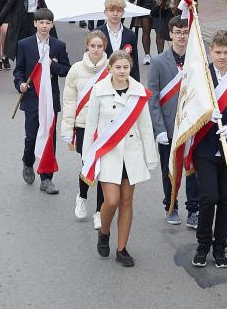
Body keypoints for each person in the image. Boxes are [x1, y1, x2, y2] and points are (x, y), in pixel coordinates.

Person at [84, 50, 157, 267]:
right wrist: (87, 157)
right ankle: (104, 232)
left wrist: (150, 156)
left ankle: (122, 248)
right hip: (108, 153)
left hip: (131, 153)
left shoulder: (138, 91)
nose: (122, 71)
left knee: (126, 201)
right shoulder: (99, 90)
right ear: (110, 68)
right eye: (118, 67)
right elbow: (91, 125)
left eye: (126, 67)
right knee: (112, 200)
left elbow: (145, 126)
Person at [191, 30, 227, 269]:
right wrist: (206, 114)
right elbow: (189, 106)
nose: (222, 57)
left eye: (226, 52)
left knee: (226, 199)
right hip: (205, 147)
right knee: (209, 197)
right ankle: (203, 245)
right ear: (210, 51)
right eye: (218, 52)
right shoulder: (200, 77)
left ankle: (220, 247)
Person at [146, 15, 198, 226]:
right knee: (169, 169)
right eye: (178, 32)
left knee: (193, 168)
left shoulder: (196, 61)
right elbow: (152, 98)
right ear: (170, 34)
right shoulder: (158, 62)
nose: (181, 36)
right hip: (167, 127)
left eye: (185, 32)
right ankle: (171, 205)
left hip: (191, 124)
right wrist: (159, 128)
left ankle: (193, 209)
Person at [13, 8, 71, 194]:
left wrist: (53, 65)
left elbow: (66, 70)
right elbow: (18, 70)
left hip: (50, 99)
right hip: (32, 97)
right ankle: (28, 161)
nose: (44, 26)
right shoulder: (24, 44)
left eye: (48, 23)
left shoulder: (58, 45)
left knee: (49, 138)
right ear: (35, 23)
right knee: (31, 136)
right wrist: (20, 84)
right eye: (41, 22)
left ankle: (47, 178)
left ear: (52, 25)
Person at [61, 30, 108, 228]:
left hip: (105, 127)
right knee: (88, 165)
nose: (96, 50)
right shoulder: (76, 69)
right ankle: (82, 197)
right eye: (92, 46)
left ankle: (99, 211)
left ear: (104, 48)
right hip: (83, 126)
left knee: (103, 169)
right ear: (87, 46)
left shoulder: (111, 68)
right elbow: (69, 101)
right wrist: (67, 128)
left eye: (100, 46)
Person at [96, 0, 140, 81]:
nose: (115, 14)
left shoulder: (131, 35)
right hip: (102, 80)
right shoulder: (97, 33)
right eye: (111, 10)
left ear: (123, 13)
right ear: (105, 12)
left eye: (119, 10)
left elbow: (134, 62)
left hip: (124, 80)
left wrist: (136, 82)